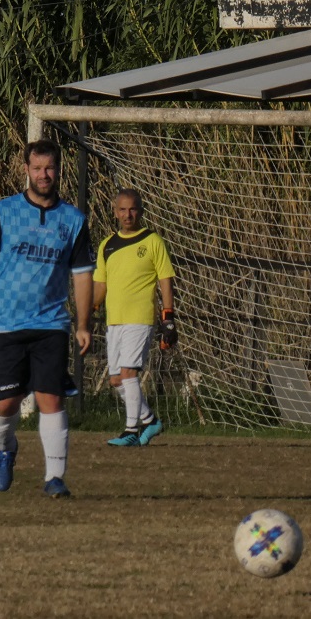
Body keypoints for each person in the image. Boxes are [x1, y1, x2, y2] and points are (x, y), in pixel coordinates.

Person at [0, 139, 94, 499]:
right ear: (26, 170)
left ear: (59, 170)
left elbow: (82, 275)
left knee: (50, 398)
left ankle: (55, 478)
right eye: (37, 168)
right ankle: (6, 447)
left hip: (51, 324)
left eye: (49, 168)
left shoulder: (73, 220)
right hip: (5, 324)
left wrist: (83, 324)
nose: (44, 175)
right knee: (5, 404)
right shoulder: (2, 211)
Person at [93, 189, 175, 447]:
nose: (127, 214)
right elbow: (101, 284)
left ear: (141, 211)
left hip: (140, 318)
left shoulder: (152, 241)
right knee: (117, 380)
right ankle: (150, 421)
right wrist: (87, 309)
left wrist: (168, 318)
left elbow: (165, 280)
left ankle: (131, 431)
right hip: (114, 321)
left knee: (129, 373)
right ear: (115, 212)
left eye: (132, 209)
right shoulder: (107, 245)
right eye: (122, 209)